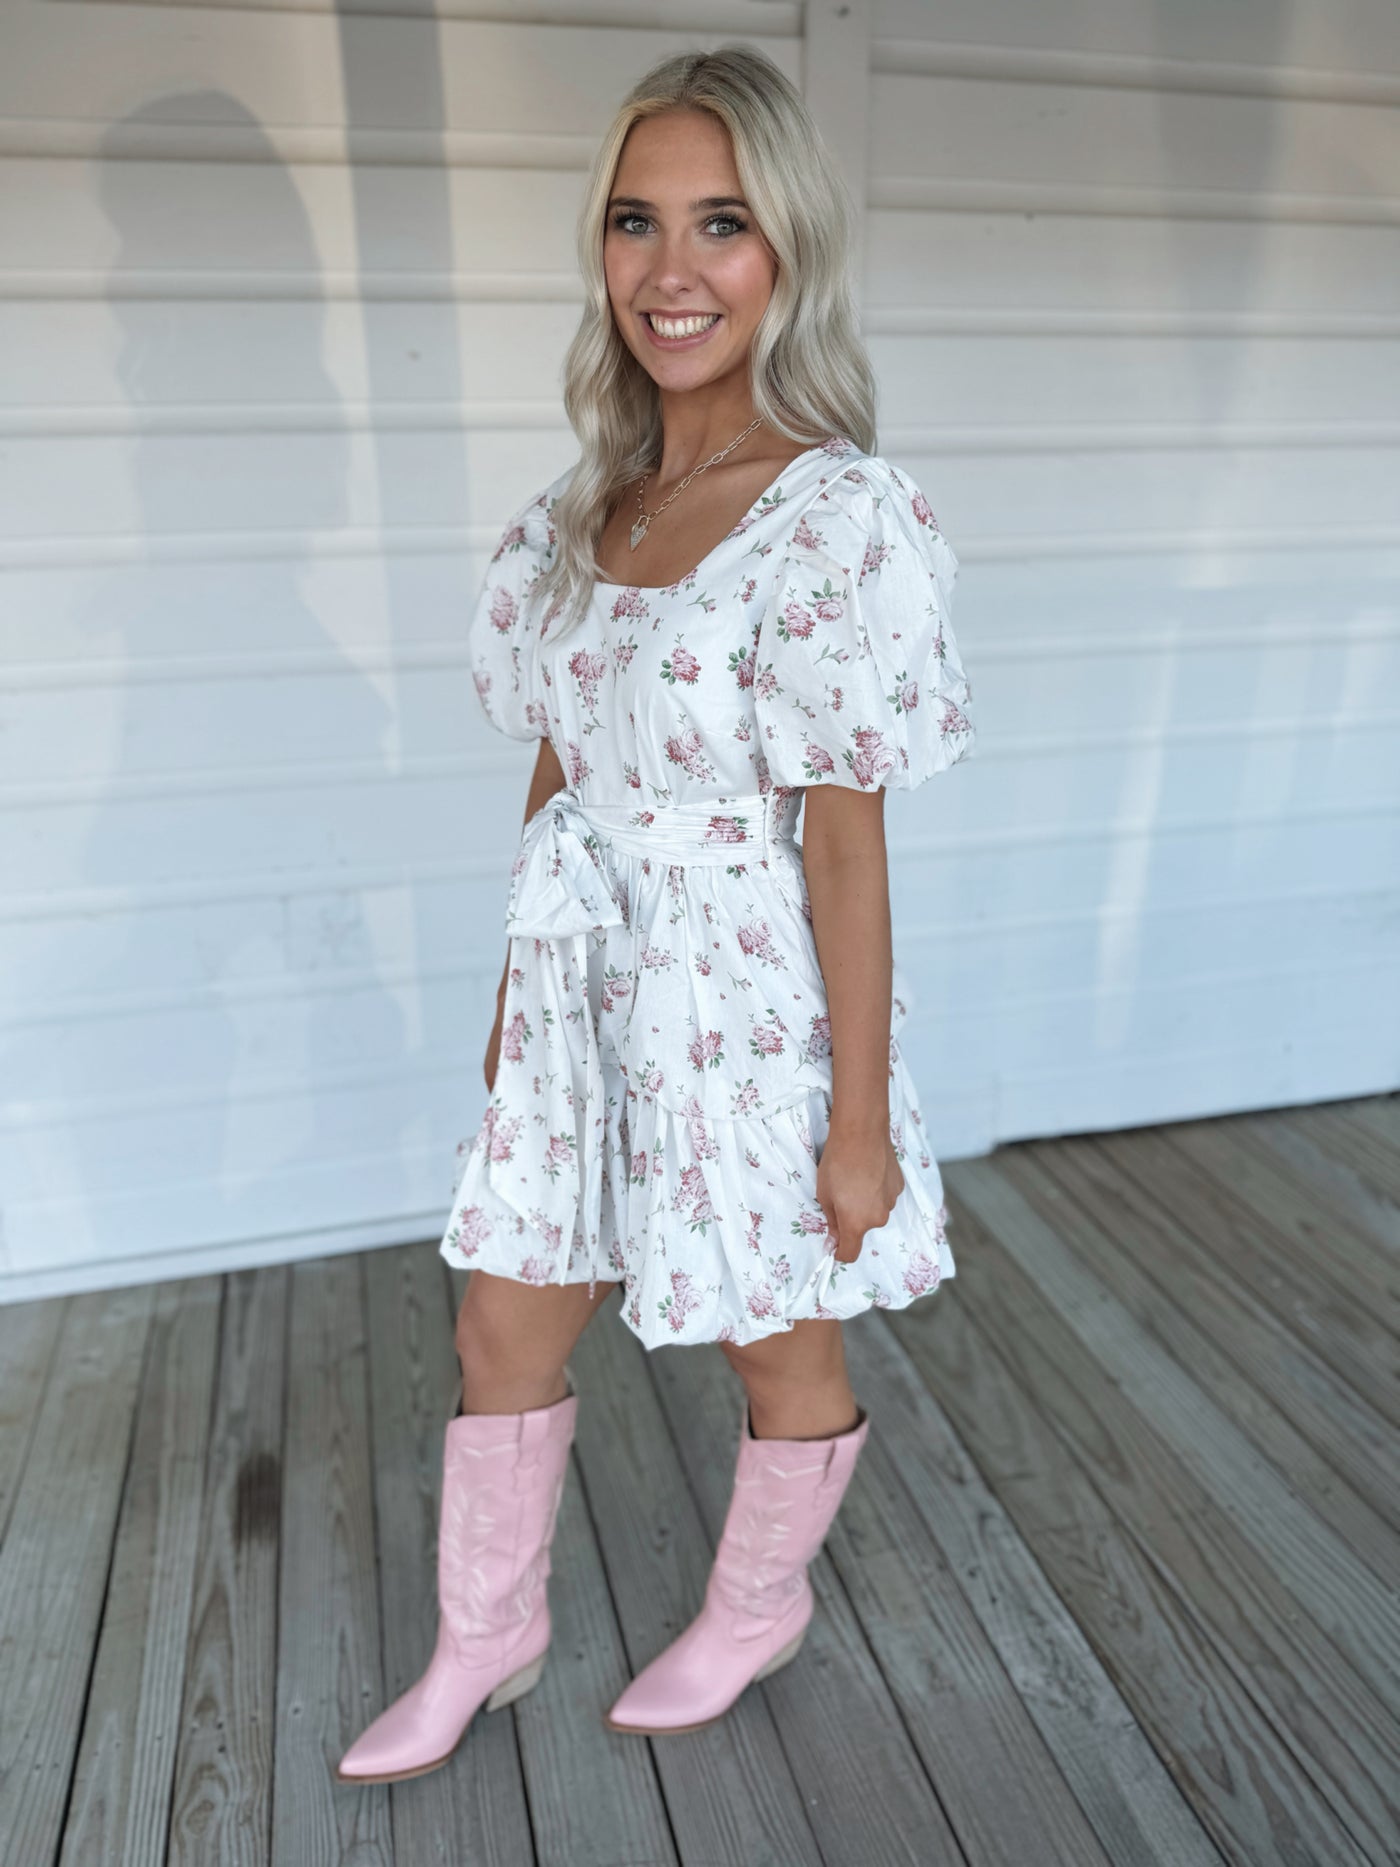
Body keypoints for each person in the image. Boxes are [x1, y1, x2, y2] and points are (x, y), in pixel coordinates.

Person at [337, 42, 975, 1784]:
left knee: (777, 1328)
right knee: (503, 1313)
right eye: (637, 222)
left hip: (742, 985)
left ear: (787, 257)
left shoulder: (834, 517)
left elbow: (844, 843)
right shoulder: (585, 508)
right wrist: (509, 999)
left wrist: (855, 1121)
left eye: (722, 224)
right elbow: (558, 760)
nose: (672, 271)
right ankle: (491, 1635)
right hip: (576, 978)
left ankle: (761, 1605)